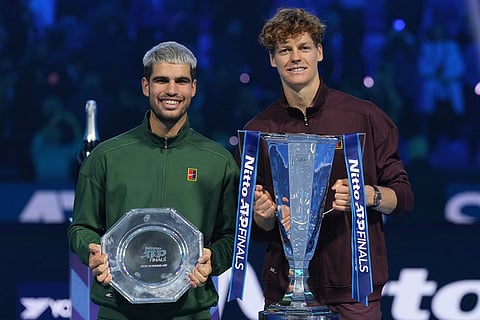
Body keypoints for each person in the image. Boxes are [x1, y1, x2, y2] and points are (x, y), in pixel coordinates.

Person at [241, 8, 414, 320]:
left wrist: (366, 195)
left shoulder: (365, 117)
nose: (295, 57)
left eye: (304, 47)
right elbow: (257, 226)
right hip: (286, 291)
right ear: (272, 59)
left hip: (353, 290)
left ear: (319, 52)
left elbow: (403, 198)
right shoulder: (257, 130)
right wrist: (264, 216)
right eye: (284, 50)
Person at [67, 41, 239, 320]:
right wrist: (93, 252)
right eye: (162, 80)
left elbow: (231, 237)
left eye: (181, 81)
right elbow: (80, 228)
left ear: (193, 88)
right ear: (146, 86)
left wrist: (213, 260)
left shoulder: (218, 161)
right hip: (118, 311)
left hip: (189, 312)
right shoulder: (106, 157)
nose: (172, 90)